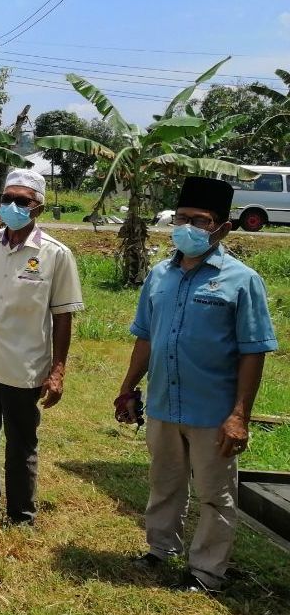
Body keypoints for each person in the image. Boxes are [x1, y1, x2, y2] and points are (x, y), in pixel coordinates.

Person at [116, 176, 277, 593]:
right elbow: (145, 337)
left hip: (213, 411)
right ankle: (159, 548)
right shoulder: (159, 275)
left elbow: (253, 351)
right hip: (164, 403)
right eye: (182, 217)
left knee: (214, 494)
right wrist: (128, 387)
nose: (187, 226)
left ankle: (207, 571)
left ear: (222, 228)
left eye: (200, 220)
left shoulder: (242, 280)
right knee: (164, 482)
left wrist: (239, 415)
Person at [0, 168, 83, 524]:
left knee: (21, 443)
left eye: (22, 201)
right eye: (7, 199)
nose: (12, 206)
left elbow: (63, 316)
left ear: (38, 208)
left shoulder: (55, 254)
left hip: (22, 365)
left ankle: (21, 515)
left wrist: (58, 370)